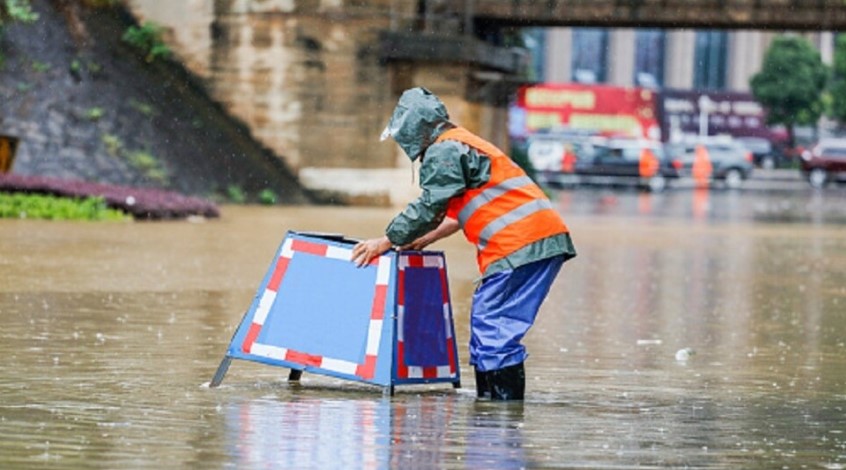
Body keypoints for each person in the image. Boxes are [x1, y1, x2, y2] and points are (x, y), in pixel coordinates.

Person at [351, 87, 576, 400]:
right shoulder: (462, 143)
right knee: (489, 324)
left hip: (519, 245)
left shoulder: (444, 150)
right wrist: (423, 239)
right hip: (532, 242)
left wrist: (386, 240)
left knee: (494, 327)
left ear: (414, 127)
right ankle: (491, 412)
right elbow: (457, 214)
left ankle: (501, 419)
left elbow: (430, 205)